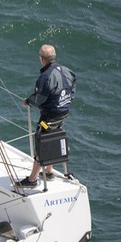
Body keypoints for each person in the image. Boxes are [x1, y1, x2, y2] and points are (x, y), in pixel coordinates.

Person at [18, 44, 77, 188]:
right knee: (53, 136)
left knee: (42, 140)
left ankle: (32, 180)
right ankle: (49, 171)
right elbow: (72, 91)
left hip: (49, 117)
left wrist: (28, 101)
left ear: (42, 59)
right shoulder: (67, 71)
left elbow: (39, 98)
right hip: (63, 114)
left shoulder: (45, 76)